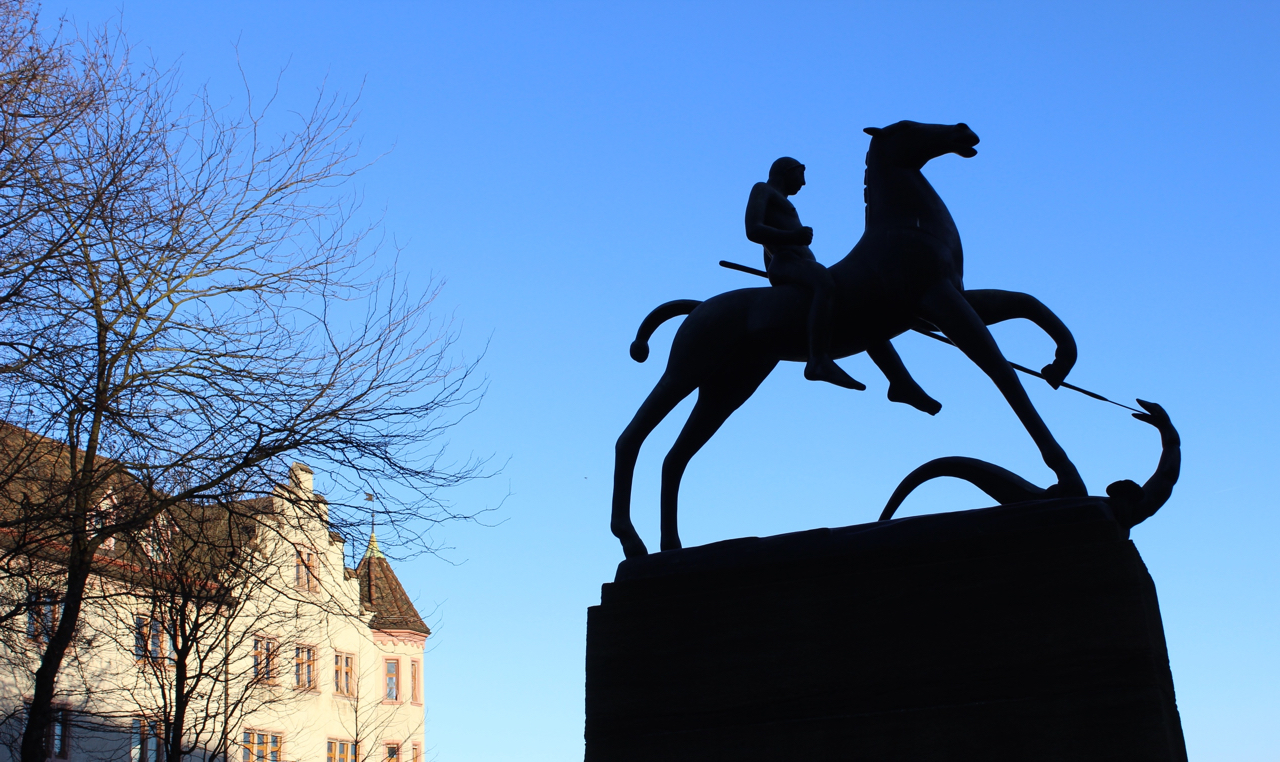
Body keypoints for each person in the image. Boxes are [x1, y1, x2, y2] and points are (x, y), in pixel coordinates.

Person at [745, 157, 862, 389]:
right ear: (787, 172)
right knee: (825, 283)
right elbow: (753, 230)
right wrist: (792, 238)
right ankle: (818, 359)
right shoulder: (763, 189)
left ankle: (899, 379)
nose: (804, 182)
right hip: (787, 263)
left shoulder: (781, 200)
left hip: (796, 263)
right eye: (800, 174)